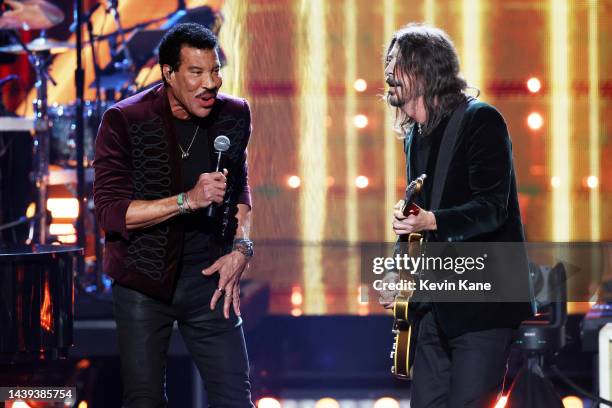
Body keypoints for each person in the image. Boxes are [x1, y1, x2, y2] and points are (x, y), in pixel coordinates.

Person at [93, 22, 254, 408]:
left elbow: (240, 187)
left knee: (235, 398)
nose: (210, 83)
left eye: (214, 71)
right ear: (169, 73)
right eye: (196, 73)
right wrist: (187, 200)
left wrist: (242, 247)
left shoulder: (233, 114)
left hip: (209, 279)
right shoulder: (125, 120)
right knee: (145, 400)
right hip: (143, 281)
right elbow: (111, 214)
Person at [380, 23, 532, 407]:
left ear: (425, 70)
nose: (387, 72)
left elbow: (492, 208)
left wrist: (431, 220)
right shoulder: (416, 136)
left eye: (397, 63)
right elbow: (415, 214)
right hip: (433, 306)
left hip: (482, 307)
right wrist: (397, 273)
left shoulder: (481, 121)